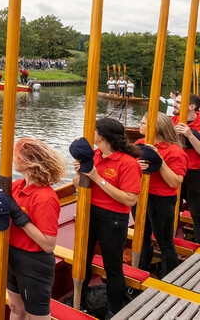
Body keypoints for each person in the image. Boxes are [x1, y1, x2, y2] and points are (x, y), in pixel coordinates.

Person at [0, 138, 67, 320]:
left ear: (26, 161)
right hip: (12, 256)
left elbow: (48, 244)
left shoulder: (45, 197)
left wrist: (21, 219)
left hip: (34, 262)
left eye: (15, 154)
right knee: (15, 308)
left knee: (35, 316)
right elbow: (7, 217)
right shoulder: (16, 187)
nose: (12, 158)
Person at [72, 117, 142, 318]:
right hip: (90, 212)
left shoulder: (127, 163)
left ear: (102, 136)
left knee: (112, 265)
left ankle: (113, 309)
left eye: (93, 130)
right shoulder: (94, 155)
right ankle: (81, 300)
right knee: (82, 259)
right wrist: (80, 175)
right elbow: (77, 184)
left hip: (112, 218)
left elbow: (130, 199)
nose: (90, 133)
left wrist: (97, 179)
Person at [133, 112, 188, 278]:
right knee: (142, 237)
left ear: (155, 128)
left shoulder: (175, 152)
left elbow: (174, 182)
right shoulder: (139, 144)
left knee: (164, 241)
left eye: (143, 123)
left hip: (162, 200)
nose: (139, 126)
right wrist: (136, 165)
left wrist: (159, 160)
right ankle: (142, 271)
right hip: (141, 196)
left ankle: (168, 277)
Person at [172, 93, 200, 243]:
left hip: (195, 174)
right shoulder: (172, 121)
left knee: (197, 212)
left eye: (178, 102)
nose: (174, 104)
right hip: (175, 172)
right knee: (171, 211)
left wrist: (190, 135)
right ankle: (168, 244)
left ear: (191, 107)